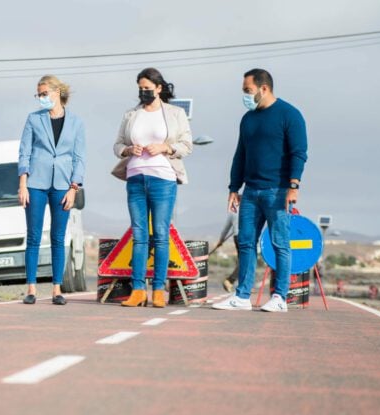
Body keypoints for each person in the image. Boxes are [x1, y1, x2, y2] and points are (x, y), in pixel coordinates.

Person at [212, 68, 308, 313]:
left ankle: (280, 298)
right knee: (246, 242)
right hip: (251, 192)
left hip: (278, 191)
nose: (245, 95)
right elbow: (240, 155)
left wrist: (293, 186)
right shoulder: (248, 119)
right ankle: (242, 296)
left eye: (248, 90)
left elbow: (299, 153)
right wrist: (234, 187)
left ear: (263, 88)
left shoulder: (290, 114)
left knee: (279, 244)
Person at [113, 67, 192, 308]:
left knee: (160, 235)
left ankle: (158, 290)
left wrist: (165, 147)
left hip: (163, 179)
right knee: (139, 236)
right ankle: (138, 290)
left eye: (147, 88)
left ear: (158, 88)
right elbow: (117, 145)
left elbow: (186, 145)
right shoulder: (131, 114)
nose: (143, 92)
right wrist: (128, 150)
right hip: (136, 179)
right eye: (140, 89)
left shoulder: (176, 113)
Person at [18, 75, 86, 306]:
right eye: (38, 95)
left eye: (44, 93)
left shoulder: (76, 123)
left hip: (63, 185)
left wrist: (73, 188)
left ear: (57, 92)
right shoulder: (33, 119)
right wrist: (23, 184)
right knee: (34, 236)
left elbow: (79, 158)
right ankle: (31, 288)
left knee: (58, 237)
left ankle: (57, 289)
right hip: (35, 184)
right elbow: (24, 152)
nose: (41, 98)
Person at [213, 210, 239, 292]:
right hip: (244, 236)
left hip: (237, 237)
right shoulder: (249, 207)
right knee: (246, 262)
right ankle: (230, 280)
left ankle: (243, 284)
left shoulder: (233, 212)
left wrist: (221, 240)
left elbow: (225, 229)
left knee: (243, 261)